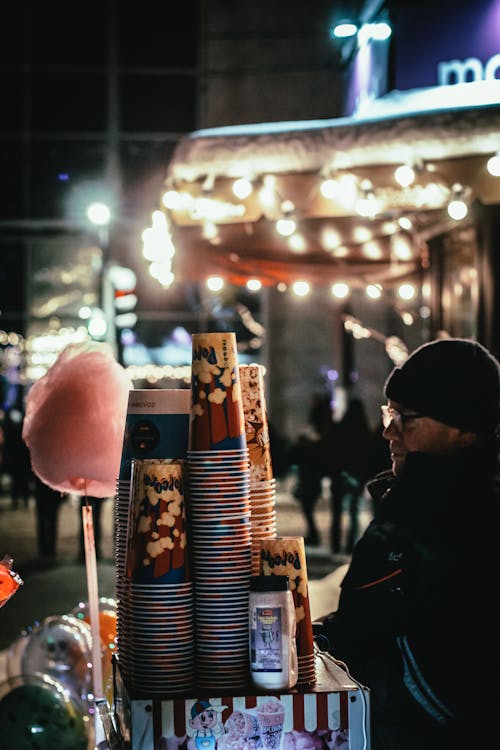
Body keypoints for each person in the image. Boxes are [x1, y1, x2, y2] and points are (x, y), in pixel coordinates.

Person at [314, 338, 499, 750]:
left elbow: (440, 662)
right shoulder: (418, 499)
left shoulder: (458, 518)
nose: (388, 431)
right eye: (389, 412)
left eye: (405, 418)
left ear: (463, 429)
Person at [289, 392, 334, 546]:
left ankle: (314, 536)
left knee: (307, 507)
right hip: (313, 476)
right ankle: (313, 535)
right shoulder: (325, 434)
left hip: (309, 476)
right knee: (308, 507)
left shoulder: (313, 438)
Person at [328, 397, 372, 554]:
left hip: (340, 475)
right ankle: (350, 545)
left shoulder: (340, 428)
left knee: (337, 512)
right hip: (356, 477)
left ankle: (335, 544)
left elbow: (331, 451)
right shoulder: (364, 429)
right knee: (353, 512)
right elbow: (369, 456)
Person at [33, 475, 64, 559]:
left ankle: (46, 547)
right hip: (50, 494)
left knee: (44, 521)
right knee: (50, 521)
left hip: (44, 494)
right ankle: (48, 547)